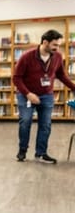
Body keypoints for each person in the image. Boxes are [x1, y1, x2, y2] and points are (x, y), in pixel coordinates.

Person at [13, 29, 75, 163]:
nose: (57, 48)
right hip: (26, 95)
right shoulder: (27, 56)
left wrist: (74, 87)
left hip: (46, 95)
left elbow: (61, 75)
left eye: (58, 45)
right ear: (45, 42)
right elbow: (16, 78)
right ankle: (22, 151)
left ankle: (41, 153)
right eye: (55, 45)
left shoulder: (57, 56)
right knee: (25, 122)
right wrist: (28, 94)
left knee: (46, 124)